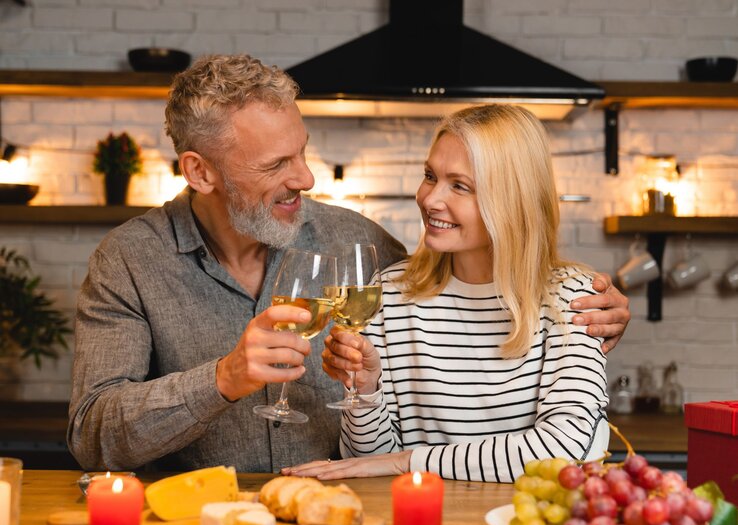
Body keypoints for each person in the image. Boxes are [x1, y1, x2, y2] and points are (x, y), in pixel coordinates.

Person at [68, 55, 629, 473]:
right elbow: (93, 435)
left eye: (304, 150)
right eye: (276, 164)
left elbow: (469, 289)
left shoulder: (362, 248)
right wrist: (223, 378)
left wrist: (591, 314)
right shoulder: (129, 262)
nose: (307, 178)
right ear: (201, 172)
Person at [285, 105, 612, 483]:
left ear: (512, 199)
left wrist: (407, 462)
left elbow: (561, 449)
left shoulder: (574, 299)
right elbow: (368, 464)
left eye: (459, 185)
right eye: (430, 176)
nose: (429, 199)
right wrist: (367, 391)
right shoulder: (387, 295)